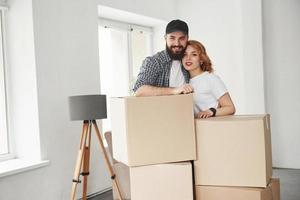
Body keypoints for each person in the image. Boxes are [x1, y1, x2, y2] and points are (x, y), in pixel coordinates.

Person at [133, 19, 194, 96]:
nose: (177, 43)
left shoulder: (188, 62)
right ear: (165, 38)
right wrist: (175, 90)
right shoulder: (154, 61)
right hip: (160, 108)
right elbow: (139, 91)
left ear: (187, 38)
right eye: (172, 38)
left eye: (181, 38)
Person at [182, 40, 235, 118]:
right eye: (184, 54)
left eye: (194, 54)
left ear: (201, 60)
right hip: (195, 127)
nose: (188, 58)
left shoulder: (210, 78)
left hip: (213, 126)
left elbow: (230, 108)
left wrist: (211, 111)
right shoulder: (183, 83)